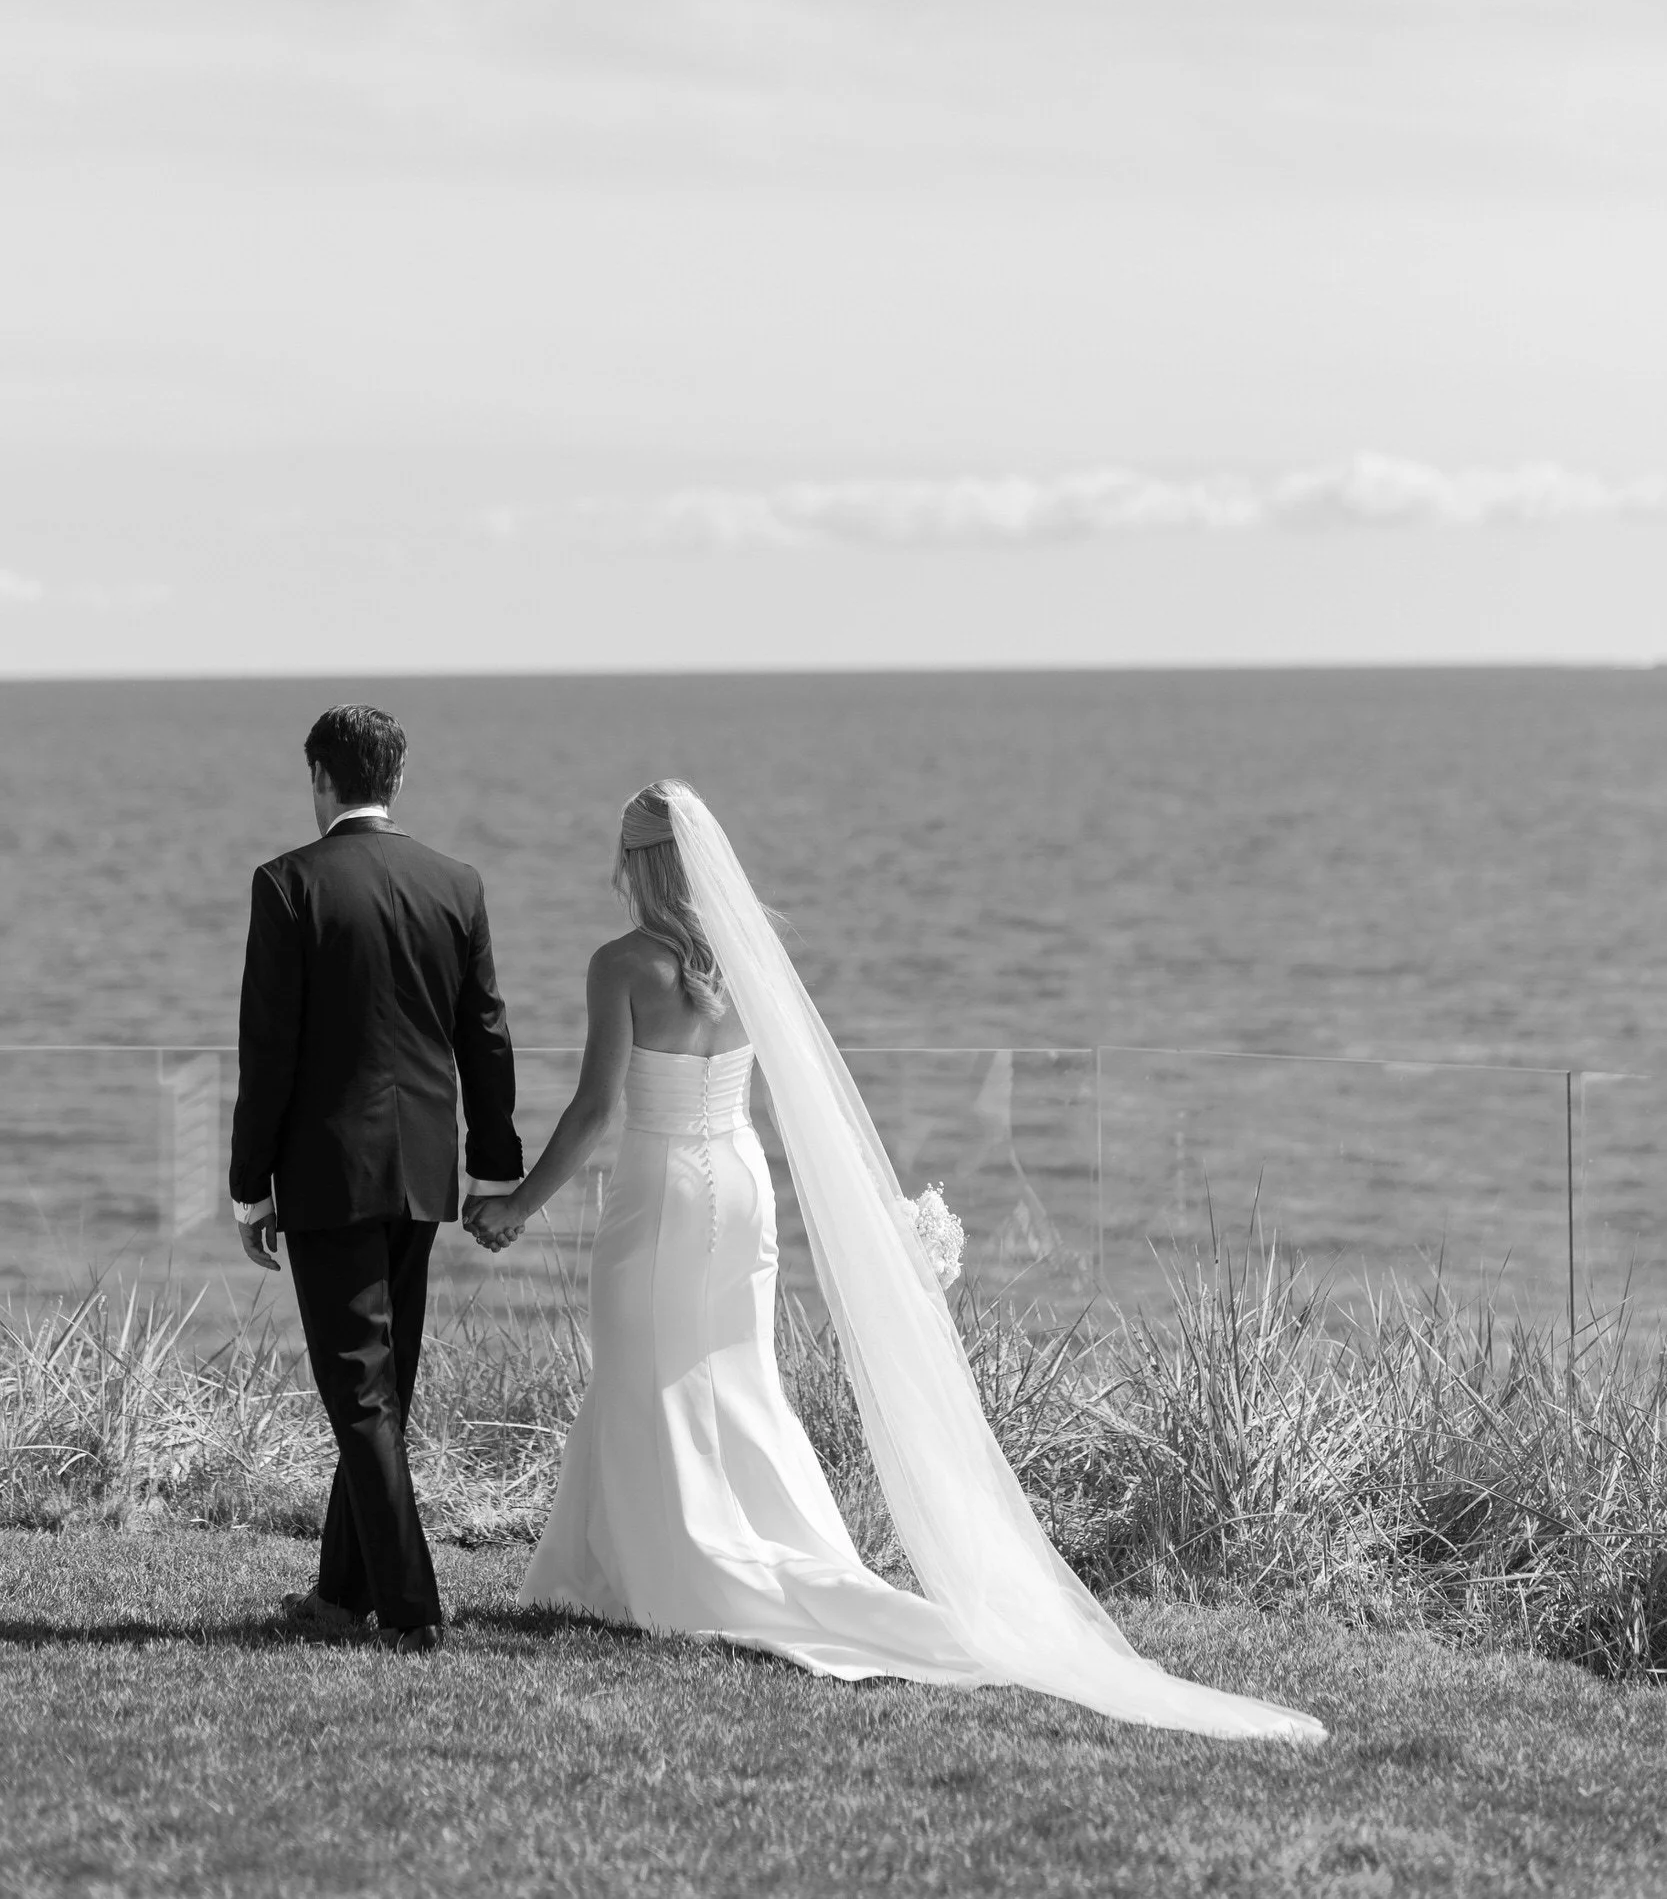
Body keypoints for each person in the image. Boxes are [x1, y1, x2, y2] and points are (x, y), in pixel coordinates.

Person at [469, 780, 1325, 1740]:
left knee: (645, 1371)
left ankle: (673, 1563)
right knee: (733, 1374)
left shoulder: (619, 964)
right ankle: (643, 1555)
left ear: (636, 866)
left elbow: (593, 1109)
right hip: (744, 1185)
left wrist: (516, 1205)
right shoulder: (754, 956)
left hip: (663, 1187)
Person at [229, 703, 524, 1651]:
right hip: (424, 1175)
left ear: (321, 777)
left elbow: (267, 1051)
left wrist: (249, 1187)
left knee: (358, 1393)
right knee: (380, 1387)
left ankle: (409, 1607)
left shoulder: (287, 884)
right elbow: (486, 1038)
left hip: (327, 1174)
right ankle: (338, 1589)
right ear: (398, 779)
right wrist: (494, 1170)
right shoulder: (457, 885)